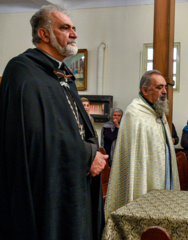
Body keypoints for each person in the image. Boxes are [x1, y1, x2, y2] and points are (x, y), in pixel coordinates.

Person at [0, 5, 107, 240]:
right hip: (46, 183)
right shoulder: (23, 71)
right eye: (65, 28)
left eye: (74, 28)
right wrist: (88, 154)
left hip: (75, 177)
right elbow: (36, 135)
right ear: (44, 34)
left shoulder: (62, 74)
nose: (74, 34)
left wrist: (90, 151)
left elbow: (74, 126)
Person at [105, 70, 180, 216]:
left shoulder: (158, 112)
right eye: (159, 87)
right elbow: (135, 157)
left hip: (164, 175)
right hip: (145, 179)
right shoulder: (134, 114)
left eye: (165, 87)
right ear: (145, 90)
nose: (165, 91)